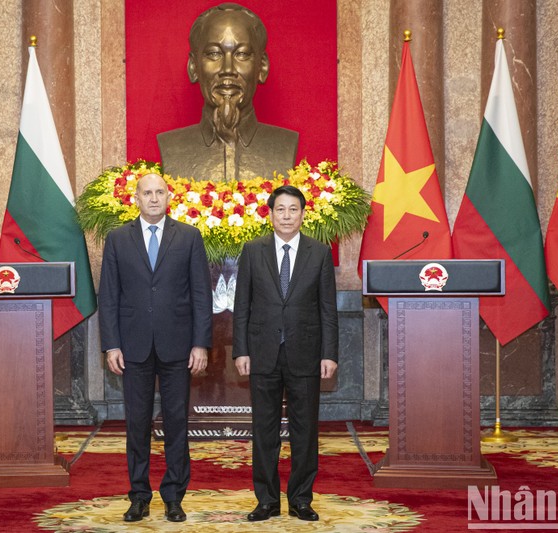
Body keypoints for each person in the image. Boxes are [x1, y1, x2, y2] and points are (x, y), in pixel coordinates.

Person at [98, 172, 212, 523]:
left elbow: (200, 295)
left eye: (159, 192)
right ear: (135, 198)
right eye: (147, 193)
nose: (153, 198)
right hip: (132, 347)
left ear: (168, 197)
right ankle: (138, 495)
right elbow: (109, 296)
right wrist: (111, 344)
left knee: (177, 422)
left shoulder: (189, 237)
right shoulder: (117, 239)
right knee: (137, 423)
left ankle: (174, 496)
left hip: (178, 346)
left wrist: (201, 343)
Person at [232, 185, 338, 522]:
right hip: (262, 352)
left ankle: (301, 499)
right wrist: (241, 350)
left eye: (294, 209)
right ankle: (266, 500)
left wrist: (329, 354)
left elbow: (327, 310)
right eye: (281, 209)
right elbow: (241, 307)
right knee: (263, 430)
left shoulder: (319, 252)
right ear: (271, 213)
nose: (287, 216)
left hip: (305, 353)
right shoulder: (252, 250)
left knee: (304, 430)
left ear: (304, 214)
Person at [157, 3, 298, 181]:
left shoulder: (284, 144)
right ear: (193, 67)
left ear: (262, 67)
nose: (228, 69)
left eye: (242, 54)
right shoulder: (172, 147)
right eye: (214, 54)